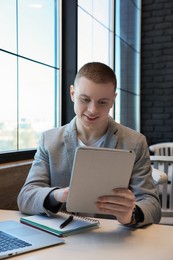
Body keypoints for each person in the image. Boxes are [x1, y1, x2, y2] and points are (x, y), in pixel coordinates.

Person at [17, 62, 161, 227]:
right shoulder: (49, 140)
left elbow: (153, 205)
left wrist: (131, 214)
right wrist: (58, 195)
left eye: (102, 102)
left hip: (113, 239)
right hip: (61, 238)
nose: (92, 110)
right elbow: (25, 198)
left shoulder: (135, 142)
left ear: (113, 100)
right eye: (85, 99)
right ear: (72, 93)